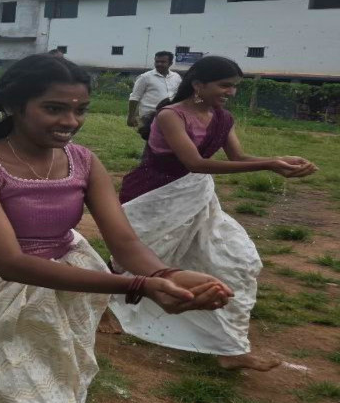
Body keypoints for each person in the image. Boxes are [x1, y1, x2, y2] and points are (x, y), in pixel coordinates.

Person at [0, 53, 232, 403]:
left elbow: (124, 242)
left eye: (81, 110)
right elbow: (11, 263)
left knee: (51, 388)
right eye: (54, 109)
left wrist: (167, 274)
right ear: (15, 106)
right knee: (2, 396)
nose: (70, 121)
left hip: (61, 295)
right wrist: (139, 286)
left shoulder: (84, 161)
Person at [108, 56, 317, 371]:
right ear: (198, 85)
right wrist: (270, 165)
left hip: (196, 196)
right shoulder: (171, 116)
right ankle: (103, 307)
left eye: (234, 86)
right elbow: (195, 163)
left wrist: (277, 158)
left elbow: (238, 156)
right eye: (225, 85)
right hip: (154, 197)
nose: (231, 92)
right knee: (136, 259)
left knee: (237, 261)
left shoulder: (222, 118)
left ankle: (230, 349)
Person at [127, 51, 182, 131]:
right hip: (149, 116)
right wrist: (131, 117)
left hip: (170, 115)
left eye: (163, 62)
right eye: (157, 61)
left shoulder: (176, 77)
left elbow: (179, 95)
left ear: (170, 63)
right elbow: (134, 97)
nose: (159, 64)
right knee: (151, 140)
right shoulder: (145, 77)